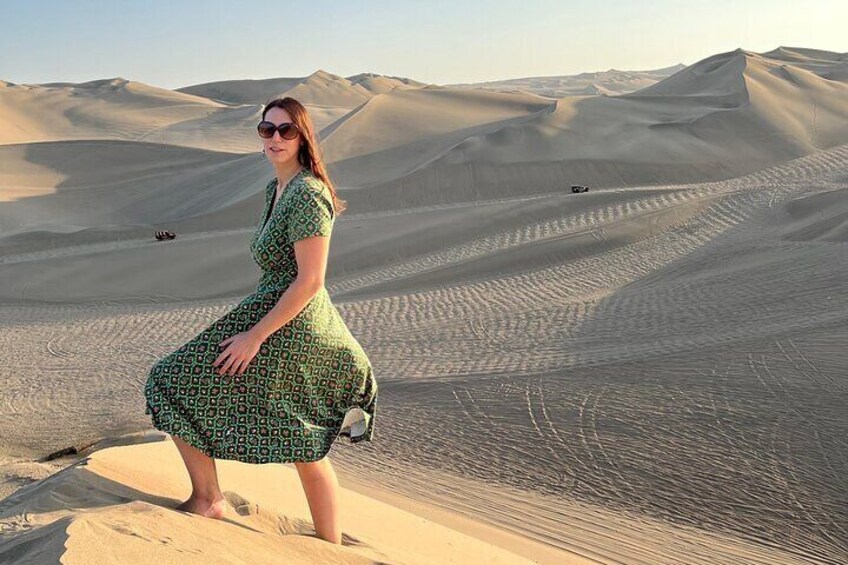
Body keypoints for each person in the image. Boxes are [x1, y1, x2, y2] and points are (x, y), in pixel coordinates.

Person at [143, 96, 377, 545]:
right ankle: (209, 498)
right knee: (177, 384)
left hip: (294, 326)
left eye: (286, 130)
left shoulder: (308, 194)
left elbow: (310, 281)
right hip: (271, 311)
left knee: (299, 434)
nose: (274, 138)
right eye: (266, 129)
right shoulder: (277, 189)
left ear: (303, 135)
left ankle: (329, 549)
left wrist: (254, 336)